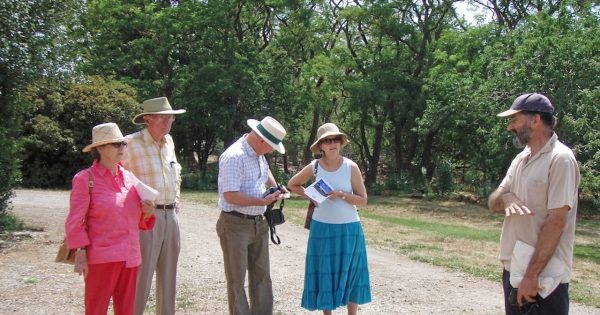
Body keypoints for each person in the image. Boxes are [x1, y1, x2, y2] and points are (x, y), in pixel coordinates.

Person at [487, 93, 580, 315]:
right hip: (514, 270)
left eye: (515, 120)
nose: (510, 127)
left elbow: (557, 221)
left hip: (544, 277)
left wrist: (532, 276)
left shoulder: (561, 159)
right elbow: (493, 201)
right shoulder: (521, 158)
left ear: (535, 120)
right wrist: (506, 197)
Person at [65, 122, 156, 315]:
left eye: (123, 143)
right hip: (101, 258)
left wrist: (148, 211)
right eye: (116, 144)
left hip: (130, 256)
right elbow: (74, 220)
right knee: (96, 309)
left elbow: (136, 218)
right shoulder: (84, 179)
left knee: (126, 310)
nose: (122, 148)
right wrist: (80, 251)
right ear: (99, 148)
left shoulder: (130, 178)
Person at [288, 122, 371, 315]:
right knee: (325, 271)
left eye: (335, 139)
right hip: (322, 227)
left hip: (349, 228)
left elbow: (363, 200)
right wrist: (312, 196)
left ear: (340, 142)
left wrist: (340, 194)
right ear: (321, 146)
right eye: (327, 140)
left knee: (352, 273)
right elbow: (293, 184)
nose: (332, 143)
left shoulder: (351, 167)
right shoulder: (315, 167)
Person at [216, 116, 288, 315]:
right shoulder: (234, 156)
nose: (272, 150)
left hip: (259, 222)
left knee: (262, 276)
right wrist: (262, 201)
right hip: (235, 224)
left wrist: (275, 189)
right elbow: (230, 195)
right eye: (272, 145)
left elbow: (265, 174)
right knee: (236, 279)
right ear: (261, 140)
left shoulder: (257, 153)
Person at [123, 97, 186, 315]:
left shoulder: (169, 142)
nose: (168, 122)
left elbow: (175, 173)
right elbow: (116, 180)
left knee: (169, 278)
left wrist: (177, 196)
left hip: (171, 216)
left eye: (171, 118)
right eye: (163, 117)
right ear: (148, 119)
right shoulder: (129, 143)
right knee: (141, 276)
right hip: (145, 217)